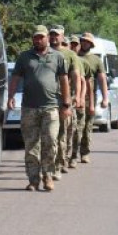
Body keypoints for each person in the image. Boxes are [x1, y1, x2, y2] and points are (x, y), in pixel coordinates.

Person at [7, 25, 71, 191]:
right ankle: (33, 180)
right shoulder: (24, 57)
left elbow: (64, 81)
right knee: (31, 145)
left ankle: (48, 175)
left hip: (51, 107)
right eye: (35, 37)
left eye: (41, 37)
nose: (38, 40)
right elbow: (15, 78)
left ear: (47, 38)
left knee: (50, 141)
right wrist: (10, 96)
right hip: (29, 108)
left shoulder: (57, 57)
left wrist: (66, 104)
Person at [49, 25, 83, 178]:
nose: (54, 37)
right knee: (47, 135)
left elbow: (76, 77)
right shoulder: (43, 52)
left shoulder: (70, 55)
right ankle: (47, 166)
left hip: (62, 98)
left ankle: (58, 165)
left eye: (57, 35)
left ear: (62, 37)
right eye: (52, 35)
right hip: (46, 99)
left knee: (61, 133)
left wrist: (77, 96)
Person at [77, 31, 109, 164]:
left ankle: (84, 152)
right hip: (74, 96)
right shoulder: (74, 56)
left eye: (88, 42)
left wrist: (105, 98)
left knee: (87, 126)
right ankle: (70, 154)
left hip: (89, 98)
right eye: (83, 41)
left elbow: (102, 80)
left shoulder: (96, 60)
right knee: (74, 126)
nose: (85, 43)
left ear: (91, 44)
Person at [67, 35, 88, 168]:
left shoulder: (79, 61)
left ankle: (73, 156)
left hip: (74, 101)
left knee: (75, 130)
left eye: (76, 44)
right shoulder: (63, 58)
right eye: (72, 44)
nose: (74, 47)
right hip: (63, 99)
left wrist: (80, 97)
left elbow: (83, 82)